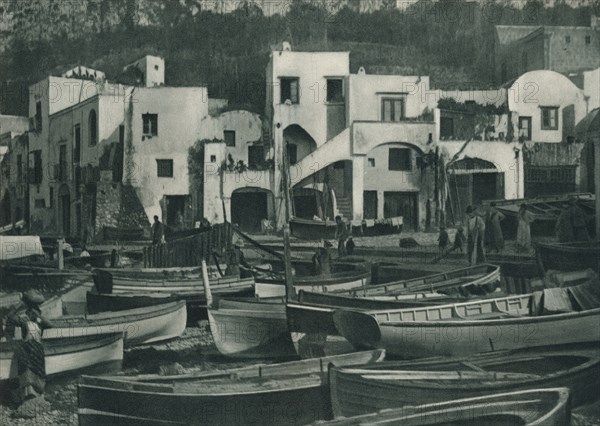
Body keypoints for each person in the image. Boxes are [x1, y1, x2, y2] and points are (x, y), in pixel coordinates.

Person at [5, 290, 54, 406]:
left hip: (36, 351)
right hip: (27, 350)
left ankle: (36, 396)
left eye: (35, 311)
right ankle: (27, 398)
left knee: (38, 373)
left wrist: (38, 316)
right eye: (31, 311)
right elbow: (10, 317)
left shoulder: (39, 320)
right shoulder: (23, 320)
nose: (32, 313)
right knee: (27, 374)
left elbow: (51, 324)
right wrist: (19, 305)